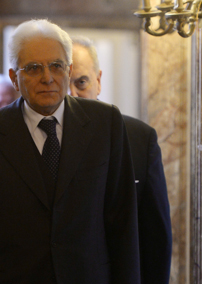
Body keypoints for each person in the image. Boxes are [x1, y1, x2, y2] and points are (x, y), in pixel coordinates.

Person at [0, 19, 140, 284]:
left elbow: (123, 222)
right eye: (33, 68)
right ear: (14, 78)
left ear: (69, 69)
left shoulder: (105, 123)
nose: (47, 77)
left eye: (56, 66)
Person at [70, 35, 172, 284]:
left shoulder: (139, 138)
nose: (71, 94)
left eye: (81, 83)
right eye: (64, 83)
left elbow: (156, 236)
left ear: (98, 81)